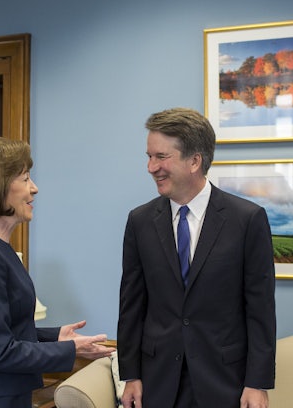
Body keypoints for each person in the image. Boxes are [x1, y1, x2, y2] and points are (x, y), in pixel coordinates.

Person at [117, 108, 277, 408]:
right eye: (149, 156)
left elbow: (261, 309)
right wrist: (131, 375)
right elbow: (131, 306)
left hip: (224, 380)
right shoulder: (139, 221)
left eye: (161, 157)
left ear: (195, 160)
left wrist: (257, 383)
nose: (151, 167)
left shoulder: (247, 220)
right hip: (158, 380)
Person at [0, 136, 115, 408]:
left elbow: (4, 329)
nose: (34, 188)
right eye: (24, 178)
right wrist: (71, 349)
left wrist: (56, 335)